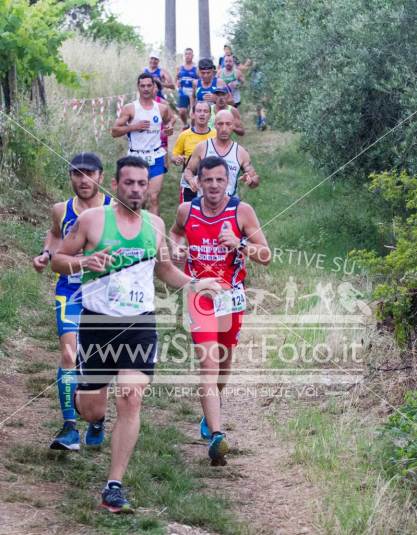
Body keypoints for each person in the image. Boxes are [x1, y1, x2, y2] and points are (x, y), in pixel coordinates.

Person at [51, 155, 221, 513]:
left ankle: (113, 486)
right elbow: (58, 259)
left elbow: (164, 269)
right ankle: (96, 421)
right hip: (97, 325)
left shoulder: (155, 224)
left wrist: (193, 283)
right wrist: (83, 262)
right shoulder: (92, 220)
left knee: (131, 399)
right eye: (129, 183)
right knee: (90, 407)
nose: (136, 189)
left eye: (142, 183)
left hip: (140, 324)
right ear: (114, 186)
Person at [169, 155, 271, 465]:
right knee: (208, 366)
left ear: (228, 181)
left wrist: (239, 244)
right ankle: (217, 435)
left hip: (231, 298)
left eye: (220, 180)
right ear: (197, 182)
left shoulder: (241, 211)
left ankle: (213, 404)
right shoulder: (187, 211)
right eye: (207, 180)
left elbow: (265, 254)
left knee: (223, 366)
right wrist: (176, 248)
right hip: (200, 295)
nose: (213, 185)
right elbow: (175, 234)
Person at [32, 152, 111, 451]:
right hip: (70, 291)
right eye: (77, 174)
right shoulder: (61, 209)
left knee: (96, 362)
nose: (83, 180)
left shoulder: (113, 209)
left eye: (89, 173)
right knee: (69, 355)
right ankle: (69, 428)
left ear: (101, 177)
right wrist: (46, 255)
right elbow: (54, 236)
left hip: (105, 296)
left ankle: (96, 418)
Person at [111, 73, 175, 215]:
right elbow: (114, 131)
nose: (146, 89)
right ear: (138, 87)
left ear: (154, 87)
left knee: (153, 198)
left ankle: (154, 235)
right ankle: (133, 227)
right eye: (142, 86)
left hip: (156, 157)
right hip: (136, 157)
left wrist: (169, 128)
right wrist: (134, 127)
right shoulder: (130, 108)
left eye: (148, 85)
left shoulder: (161, 108)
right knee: (138, 200)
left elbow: (170, 120)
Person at [184, 110, 259, 197]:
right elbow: (188, 170)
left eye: (228, 124)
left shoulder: (241, 152)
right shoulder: (202, 147)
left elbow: (255, 179)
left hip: (229, 205)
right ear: (215, 125)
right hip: (204, 203)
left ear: (233, 126)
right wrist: (191, 180)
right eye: (220, 124)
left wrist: (251, 181)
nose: (224, 129)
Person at [171, 100, 216, 203]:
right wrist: (177, 159)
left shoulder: (215, 135)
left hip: (211, 180)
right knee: (188, 212)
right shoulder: (184, 135)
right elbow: (174, 156)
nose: (202, 114)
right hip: (189, 180)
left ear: (209, 115)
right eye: (199, 111)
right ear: (193, 114)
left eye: (205, 111)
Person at [176, 48, 199, 129]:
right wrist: (177, 84)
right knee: (181, 112)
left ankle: (193, 128)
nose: (187, 56)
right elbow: (177, 78)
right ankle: (186, 124)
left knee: (193, 114)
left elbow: (200, 80)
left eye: (189, 54)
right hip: (183, 92)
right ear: (184, 56)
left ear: (192, 56)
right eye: (186, 54)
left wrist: (196, 88)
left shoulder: (196, 68)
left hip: (193, 92)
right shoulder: (180, 68)